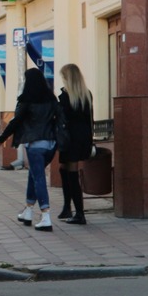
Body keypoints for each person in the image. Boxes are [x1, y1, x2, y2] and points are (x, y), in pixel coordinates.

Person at [0, 67, 61, 232]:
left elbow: (16, 121)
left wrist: (2, 138)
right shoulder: (51, 99)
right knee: (34, 175)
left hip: (34, 145)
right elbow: (61, 119)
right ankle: (28, 211)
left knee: (38, 177)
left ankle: (46, 216)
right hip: (51, 145)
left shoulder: (26, 100)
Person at [57, 63, 94, 225]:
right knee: (64, 169)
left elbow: (62, 118)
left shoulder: (66, 96)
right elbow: (89, 120)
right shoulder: (87, 94)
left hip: (70, 138)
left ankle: (79, 213)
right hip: (83, 137)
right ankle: (67, 207)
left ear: (68, 78)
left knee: (71, 173)